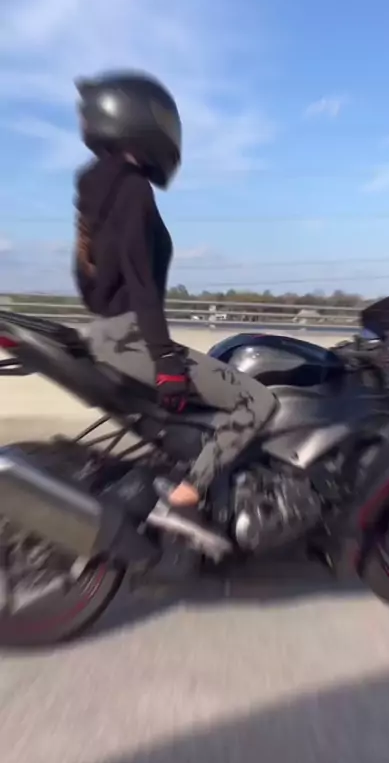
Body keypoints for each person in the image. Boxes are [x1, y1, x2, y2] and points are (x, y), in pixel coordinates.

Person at [73, 71, 277, 551]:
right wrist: (165, 360)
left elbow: (93, 285)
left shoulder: (95, 193)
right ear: (139, 120)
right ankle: (185, 498)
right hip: (133, 339)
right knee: (257, 402)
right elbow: (142, 284)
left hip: (107, 335)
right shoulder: (132, 189)